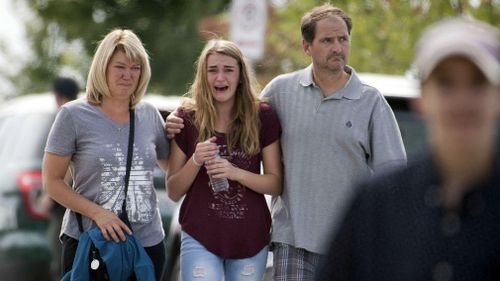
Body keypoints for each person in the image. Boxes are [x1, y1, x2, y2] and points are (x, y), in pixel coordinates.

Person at [165, 4, 406, 280]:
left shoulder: (371, 102)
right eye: (327, 40)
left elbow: (394, 178)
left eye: (343, 39)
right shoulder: (281, 91)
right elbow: (239, 107)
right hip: (293, 241)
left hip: (348, 241)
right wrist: (178, 117)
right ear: (306, 46)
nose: (337, 47)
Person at [316, 17, 500, 281]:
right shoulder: (377, 202)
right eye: (446, 83)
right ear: (422, 97)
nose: (462, 100)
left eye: (477, 83)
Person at [42, 29, 169, 280]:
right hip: (91, 244)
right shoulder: (72, 115)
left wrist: (184, 128)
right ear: (103, 67)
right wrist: (98, 213)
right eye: (120, 66)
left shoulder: (150, 115)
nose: (128, 75)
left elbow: (173, 170)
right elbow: (52, 182)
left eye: (135, 68)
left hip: (146, 245)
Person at [166, 39, 282, 281]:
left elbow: (275, 183)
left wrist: (234, 172)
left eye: (228, 70)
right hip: (200, 235)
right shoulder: (187, 117)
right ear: (203, 75)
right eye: (213, 70)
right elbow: (173, 191)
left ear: (240, 75)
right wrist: (196, 159)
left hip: (251, 237)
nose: (220, 78)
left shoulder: (263, 116)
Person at [45, 77, 79, 281]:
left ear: (58, 95)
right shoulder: (86, 114)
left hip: (66, 203)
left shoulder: (67, 116)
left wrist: (48, 198)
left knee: (60, 261)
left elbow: (66, 166)